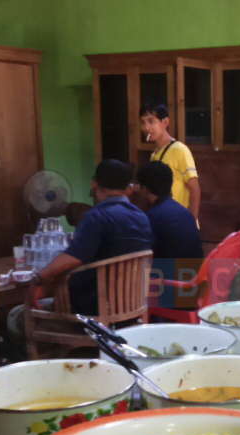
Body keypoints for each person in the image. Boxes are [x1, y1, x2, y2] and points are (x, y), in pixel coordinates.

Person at [28, 159, 153, 316]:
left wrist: (39, 278)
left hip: (93, 308)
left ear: (94, 184)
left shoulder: (96, 217)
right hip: (132, 304)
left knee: (19, 314)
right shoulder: (142, 217)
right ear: (128, 188)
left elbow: (73, 258)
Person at [140, 104, 201, 220]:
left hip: (180, 220)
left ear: (165, 122)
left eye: (151, 121)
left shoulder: (179, 150)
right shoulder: (154, 155)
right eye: (143, 122)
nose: (146, 127)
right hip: (164, 219)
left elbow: (195, 189)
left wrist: (191, 222)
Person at [135, 161, 203, 260]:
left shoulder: (151, 218)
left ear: (144, 189)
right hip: (194, 269)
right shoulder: (186, 213)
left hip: (168, 270)